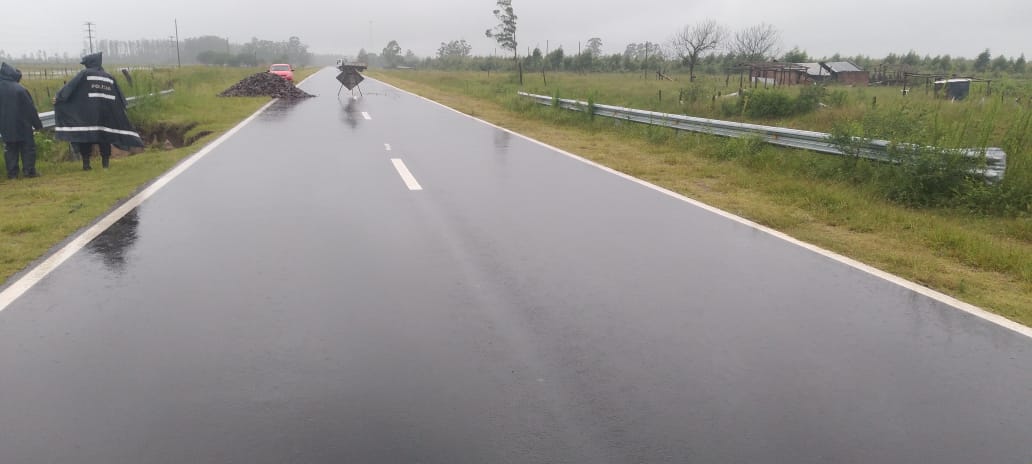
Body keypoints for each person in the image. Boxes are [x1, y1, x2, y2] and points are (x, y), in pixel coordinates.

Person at [54, 52, 143, 170]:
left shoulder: (84, 74)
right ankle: (105, 165)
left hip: (87, 114)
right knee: (105, 138)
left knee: (85, 137)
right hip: (106, 115)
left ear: (89, 63)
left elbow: (70, 87)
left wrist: (59, 97)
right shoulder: (109, 77)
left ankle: (86, 164)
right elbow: (120, 98)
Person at [0, 62, 44, 179]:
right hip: (23, 125)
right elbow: (30, 109)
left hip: (6, 126)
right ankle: (29, 172)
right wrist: (38, 125)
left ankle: (12, 174)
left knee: (10, 149)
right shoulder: (20, 89)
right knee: (27, 148)